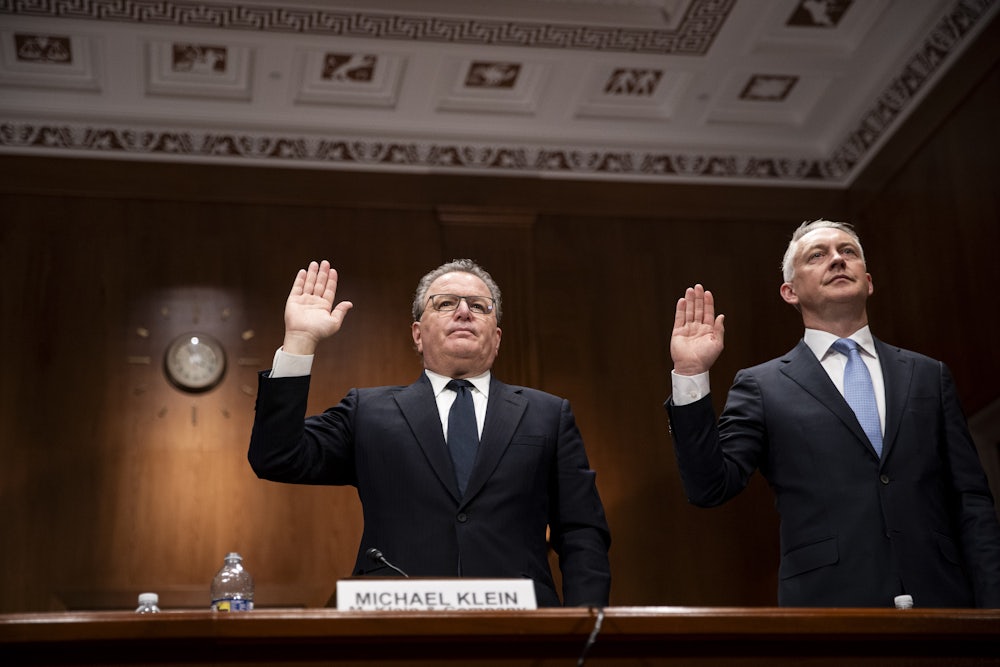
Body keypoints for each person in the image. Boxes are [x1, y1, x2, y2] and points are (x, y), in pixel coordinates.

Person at [665, 219, 1000, 607]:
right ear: (790, 292)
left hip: (942, 600)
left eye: (849, 252)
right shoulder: (762, 385)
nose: (838, 260)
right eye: (818, 255)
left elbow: (971, 500)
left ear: (869, 281)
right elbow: (710, 486)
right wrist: (691, 374)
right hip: (828, 608)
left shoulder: (928, 375)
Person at [248, 258, 612, 607]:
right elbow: (277, 457)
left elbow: (582, 531)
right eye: (445, 303)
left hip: (521, 633)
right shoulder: (367, 412)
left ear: (497, 338)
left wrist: (584, 627)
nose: (464, 312)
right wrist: (299, 341)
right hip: (396, 629)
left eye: (480, 306)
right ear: (418, 335)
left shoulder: (547, 414)